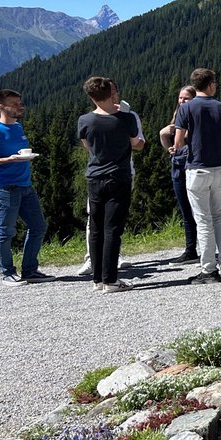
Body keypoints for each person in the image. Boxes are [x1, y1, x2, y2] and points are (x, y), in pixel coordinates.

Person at [174, 68, 221, 284]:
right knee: (220, 218)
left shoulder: (186, 108)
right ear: (211, 84)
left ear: (195, 86)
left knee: (203, 220)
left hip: (197, 169)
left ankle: (208, 269)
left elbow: (177, 143)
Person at [0, 89, 50, 286]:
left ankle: (30, 270)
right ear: (1, 107)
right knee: (6, 231)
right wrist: (8, 159)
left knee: (38, 227)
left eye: (20, 102)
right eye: (14, 103)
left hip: (25, 186)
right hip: (4, 188)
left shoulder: (18, 127)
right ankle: (7, 272)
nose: (20, 106)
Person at [77, 77, 145, 292]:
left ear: (91, 97)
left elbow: (88, 146)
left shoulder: (85, 120)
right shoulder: (126, 119)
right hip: (119, 177)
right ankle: (111, 280)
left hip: (94, 177)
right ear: (112, 94)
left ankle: (98, 280)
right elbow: (137, 145)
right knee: (112, 229)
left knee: (96, 229)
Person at [158, 85, 198, 263]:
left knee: (199, 209)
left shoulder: (195, 115)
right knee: (185, 210)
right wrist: (168, 143)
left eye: (186, 98)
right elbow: (171, 144)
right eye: (180, 98)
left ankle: (203, 248)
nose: (182, 101)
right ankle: (190, 250)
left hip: (191, 164)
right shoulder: (178, 116)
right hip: (177, 165)